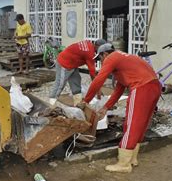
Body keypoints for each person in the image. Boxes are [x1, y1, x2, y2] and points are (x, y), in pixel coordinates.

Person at [82, 43, 161, 173]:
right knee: (140, 124)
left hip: (141, 87)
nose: (100, 63)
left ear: (105, 54)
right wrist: (106, 107)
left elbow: (98, 80)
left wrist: (85, 101)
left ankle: (124, 164)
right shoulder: (123, 61)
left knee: (131, 124)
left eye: (100, 59)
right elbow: (119, 89)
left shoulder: (112, 57)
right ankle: (132, 159)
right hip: (154, 86)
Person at [49, 38, 106, 106]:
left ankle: (78, 105)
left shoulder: (89, 45)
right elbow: (92, 74)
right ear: (98, 46)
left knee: (76, 83)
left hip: (73, 64)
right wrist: (97, 90)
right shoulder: (90, 53)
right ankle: (51, 105)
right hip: (64, 63)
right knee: (60, 84)